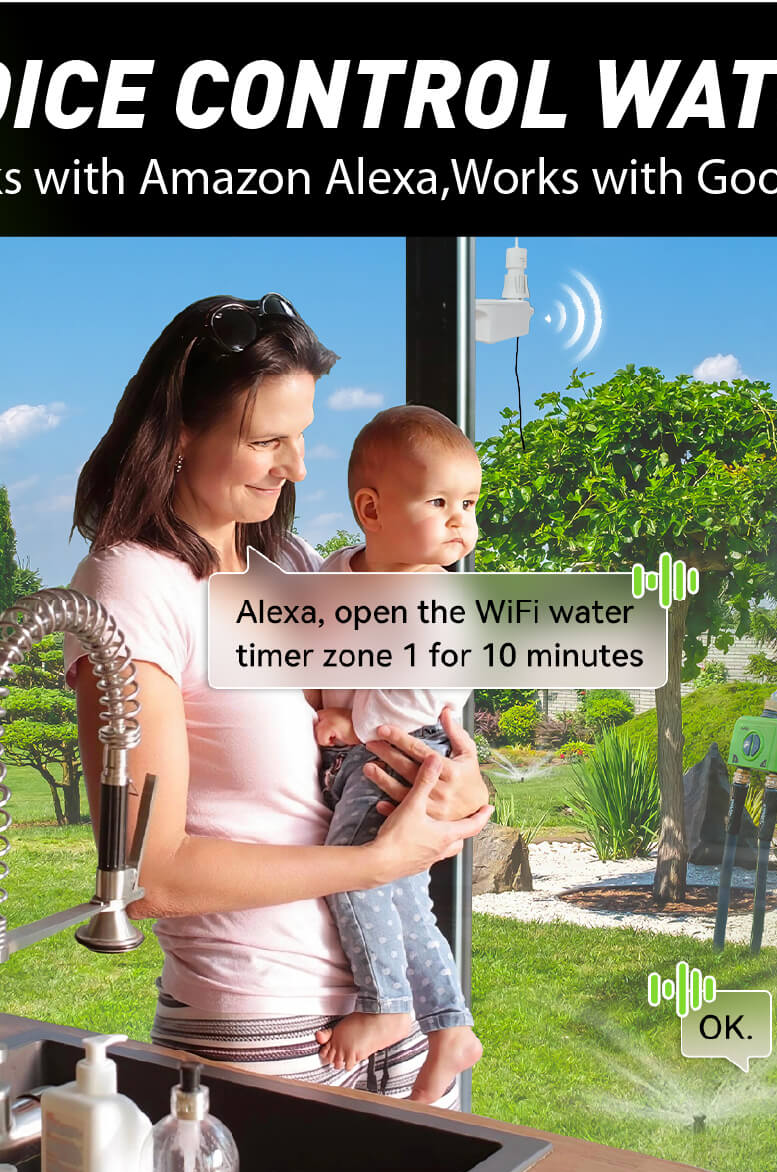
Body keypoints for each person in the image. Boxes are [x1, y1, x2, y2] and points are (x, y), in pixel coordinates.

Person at [64, 295, 492, 1106]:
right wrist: (375, 861)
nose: (295, 466)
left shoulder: (292, 565)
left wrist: (464, 795)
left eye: (301, 436)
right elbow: (150, 873)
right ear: (180, 432)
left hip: (392, 1010)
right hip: (260, 1026)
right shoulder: (132, 588)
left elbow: (389, 724)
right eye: (265, 440)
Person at [308, 405, 484, 1103]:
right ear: (371, 508)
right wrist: (328, 699)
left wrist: (349, 719)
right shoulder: (333, 575)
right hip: (360, 754)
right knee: (402, 894)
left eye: (468, 504)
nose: (459, 522)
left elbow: (428, 690)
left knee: (353, 872)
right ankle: (449, 1028)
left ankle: (386, 1004)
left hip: (404, 749)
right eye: (439, 502)